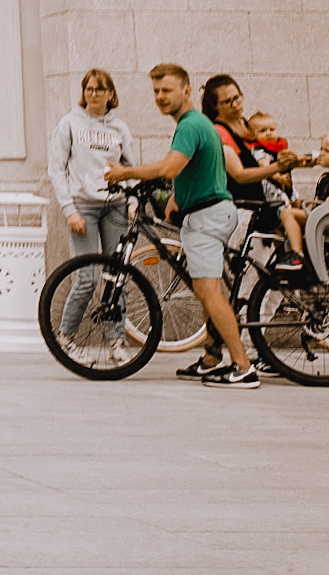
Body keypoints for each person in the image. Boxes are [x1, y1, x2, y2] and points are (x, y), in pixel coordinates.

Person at [105, 63, 257, 387]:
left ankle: (243, 366)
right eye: (156, 92)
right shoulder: (195, 124)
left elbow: (172, 166)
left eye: (166, 90)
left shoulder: (190, 125)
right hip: (205, 212)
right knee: (206, 289)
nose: (160, 97)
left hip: (207, 218)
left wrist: (125, 173)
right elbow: (194, 169)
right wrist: (177, 198)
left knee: (209, 292)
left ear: (186, 91)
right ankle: (212, 359)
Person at [47, 68, 133, 338]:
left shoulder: (119, 128)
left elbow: (130, 168)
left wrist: (131, 200)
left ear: (110, 94)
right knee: (88, 278)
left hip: (115, 207)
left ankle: (116, 340)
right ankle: (65, 336)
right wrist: (69, 209)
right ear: (84, 93)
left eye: (100, 89)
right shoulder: (69, 123)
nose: (94, 94)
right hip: (83, 208)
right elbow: (56, 169)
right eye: (89, 89)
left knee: (117, 276)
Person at [203, 74, 304, 262]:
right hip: (244, 212)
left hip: (262, 209)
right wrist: (276, 168)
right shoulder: (220, 132)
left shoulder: (247, 125)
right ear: (216, 106)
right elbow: (239, 175)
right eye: (227, 101)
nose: (235, 104)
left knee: (266, 276)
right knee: (250, 282)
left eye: (237, 97)